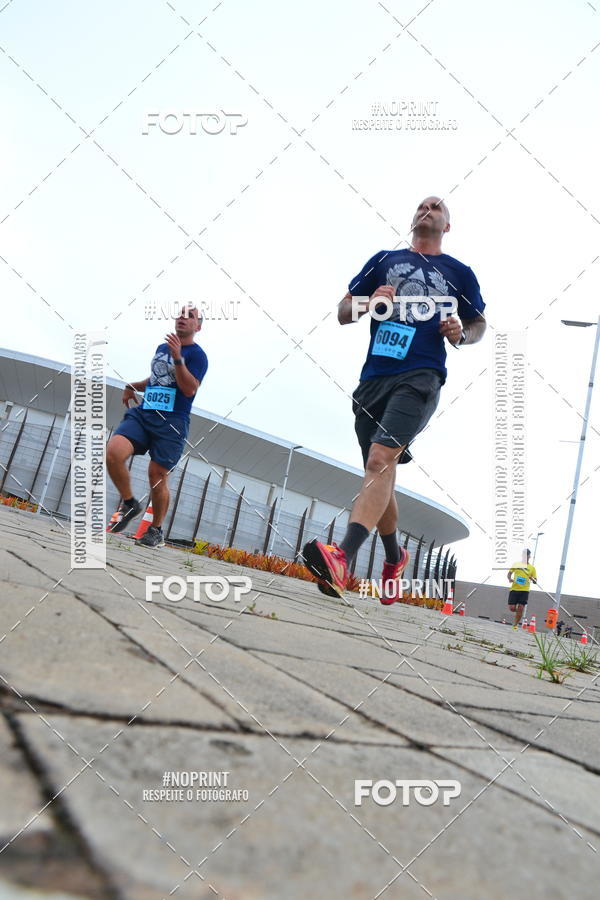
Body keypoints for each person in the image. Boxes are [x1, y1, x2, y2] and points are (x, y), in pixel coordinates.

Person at [303, 197, 486, 602]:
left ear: (447, 226)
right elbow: (343, 311)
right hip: (374, 379)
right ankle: (394, 556)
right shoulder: (384, 260)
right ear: (413, 218)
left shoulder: (460, 273)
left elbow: (478, 326)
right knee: (379, 472)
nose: (429, 209)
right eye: (423, 205)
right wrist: (371, 302)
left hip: (422, 375)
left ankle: (342, 557)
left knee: (379, 460)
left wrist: (459, 334)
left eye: (437, 207)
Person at [106, 305, 208, 548]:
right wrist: (133, 385)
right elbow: (156, 379)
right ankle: (130, 503)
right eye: (180, 314)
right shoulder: (162, 347)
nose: (183, 318)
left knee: (157, 476)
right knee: (113, 452)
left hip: (172, 422)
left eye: (190, 316)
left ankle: (155, 530)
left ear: (198, 326)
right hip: (145, 413)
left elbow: (189, 388)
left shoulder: (197, 355)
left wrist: (178, 358)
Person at [507, 549, 538, 628]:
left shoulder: (532, 568)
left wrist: (532, 579)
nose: (526, 557)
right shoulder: (516, 564)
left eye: (527, 555)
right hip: (514, 589)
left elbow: (535, 581)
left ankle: (515, 624)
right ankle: (519, 612)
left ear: (529, 556)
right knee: (512, 608)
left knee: (521, 607)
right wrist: (509, 579)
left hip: (524, 590)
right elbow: (509, 573)